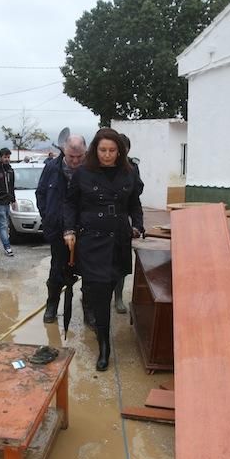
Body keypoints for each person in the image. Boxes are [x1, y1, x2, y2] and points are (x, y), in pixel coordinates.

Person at [63, 128, 144, 370]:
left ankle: (102, 331)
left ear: (119, 152)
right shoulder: (83, 174)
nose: (107, 155)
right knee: (99, 292)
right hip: (92, 240)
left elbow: (134, 203)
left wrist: (138, 225)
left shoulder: (128, 174)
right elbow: (70, 203)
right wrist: (69, 230)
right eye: (103, 150)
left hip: (118, 239)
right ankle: (104, 345)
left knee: (109, 286)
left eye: (112, 150)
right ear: (95, 150)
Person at [36, 134, 90, 325]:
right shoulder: (51, 167)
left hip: (85, 230)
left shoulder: (91, 170)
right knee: (57, 269)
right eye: (71, 157)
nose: (75, 161)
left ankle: (88, 310)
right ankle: (52, 305)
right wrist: (47, 216)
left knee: (88, 271)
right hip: (57, 230)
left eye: (79, 157)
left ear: (85, 152)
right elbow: (40, 193)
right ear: (64, 151)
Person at [112, 133, 145, 314]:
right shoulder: (99, 168)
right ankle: (91, 296)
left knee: (122, 264)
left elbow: (136, 199)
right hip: (100, 224)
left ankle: (118, 298)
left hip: (122, 222)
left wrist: (137, 225)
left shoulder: (132, 168)